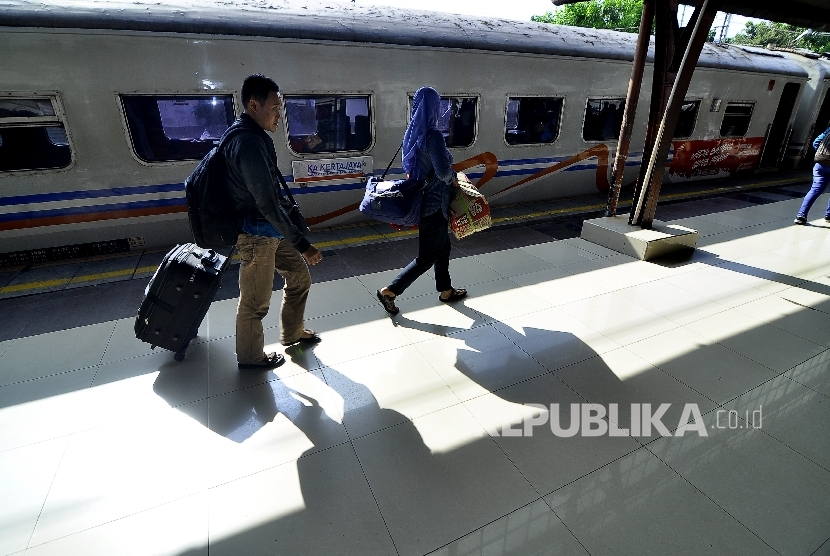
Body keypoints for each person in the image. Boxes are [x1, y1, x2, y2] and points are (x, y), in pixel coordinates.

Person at [223, 74, 323, 370]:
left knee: (299, 277)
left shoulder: (252, 136)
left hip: (272, 231)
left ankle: (292, 333)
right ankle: (251, 358)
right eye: (274, 108)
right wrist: (303, 244)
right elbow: (266, 203)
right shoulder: (248, 143)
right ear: (254, 105)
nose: (279, 115)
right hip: (256, 235)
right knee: (255, 304)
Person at [376, 86, 467, 315]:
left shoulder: (412, 134)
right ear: (435, 108)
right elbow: (444, 173)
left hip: (426, 202)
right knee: (426, 257)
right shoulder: (433, 136)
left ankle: (446, 289)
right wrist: (456, 178)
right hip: (434, 206)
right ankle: (391, 291)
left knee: (443, 248)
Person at [794, 125, 830, 225]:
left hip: (820, 164)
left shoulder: (829, 129)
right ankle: (829, 215)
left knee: (814, 190)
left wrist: (823, 155)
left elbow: (816, 142)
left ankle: (801, 216)